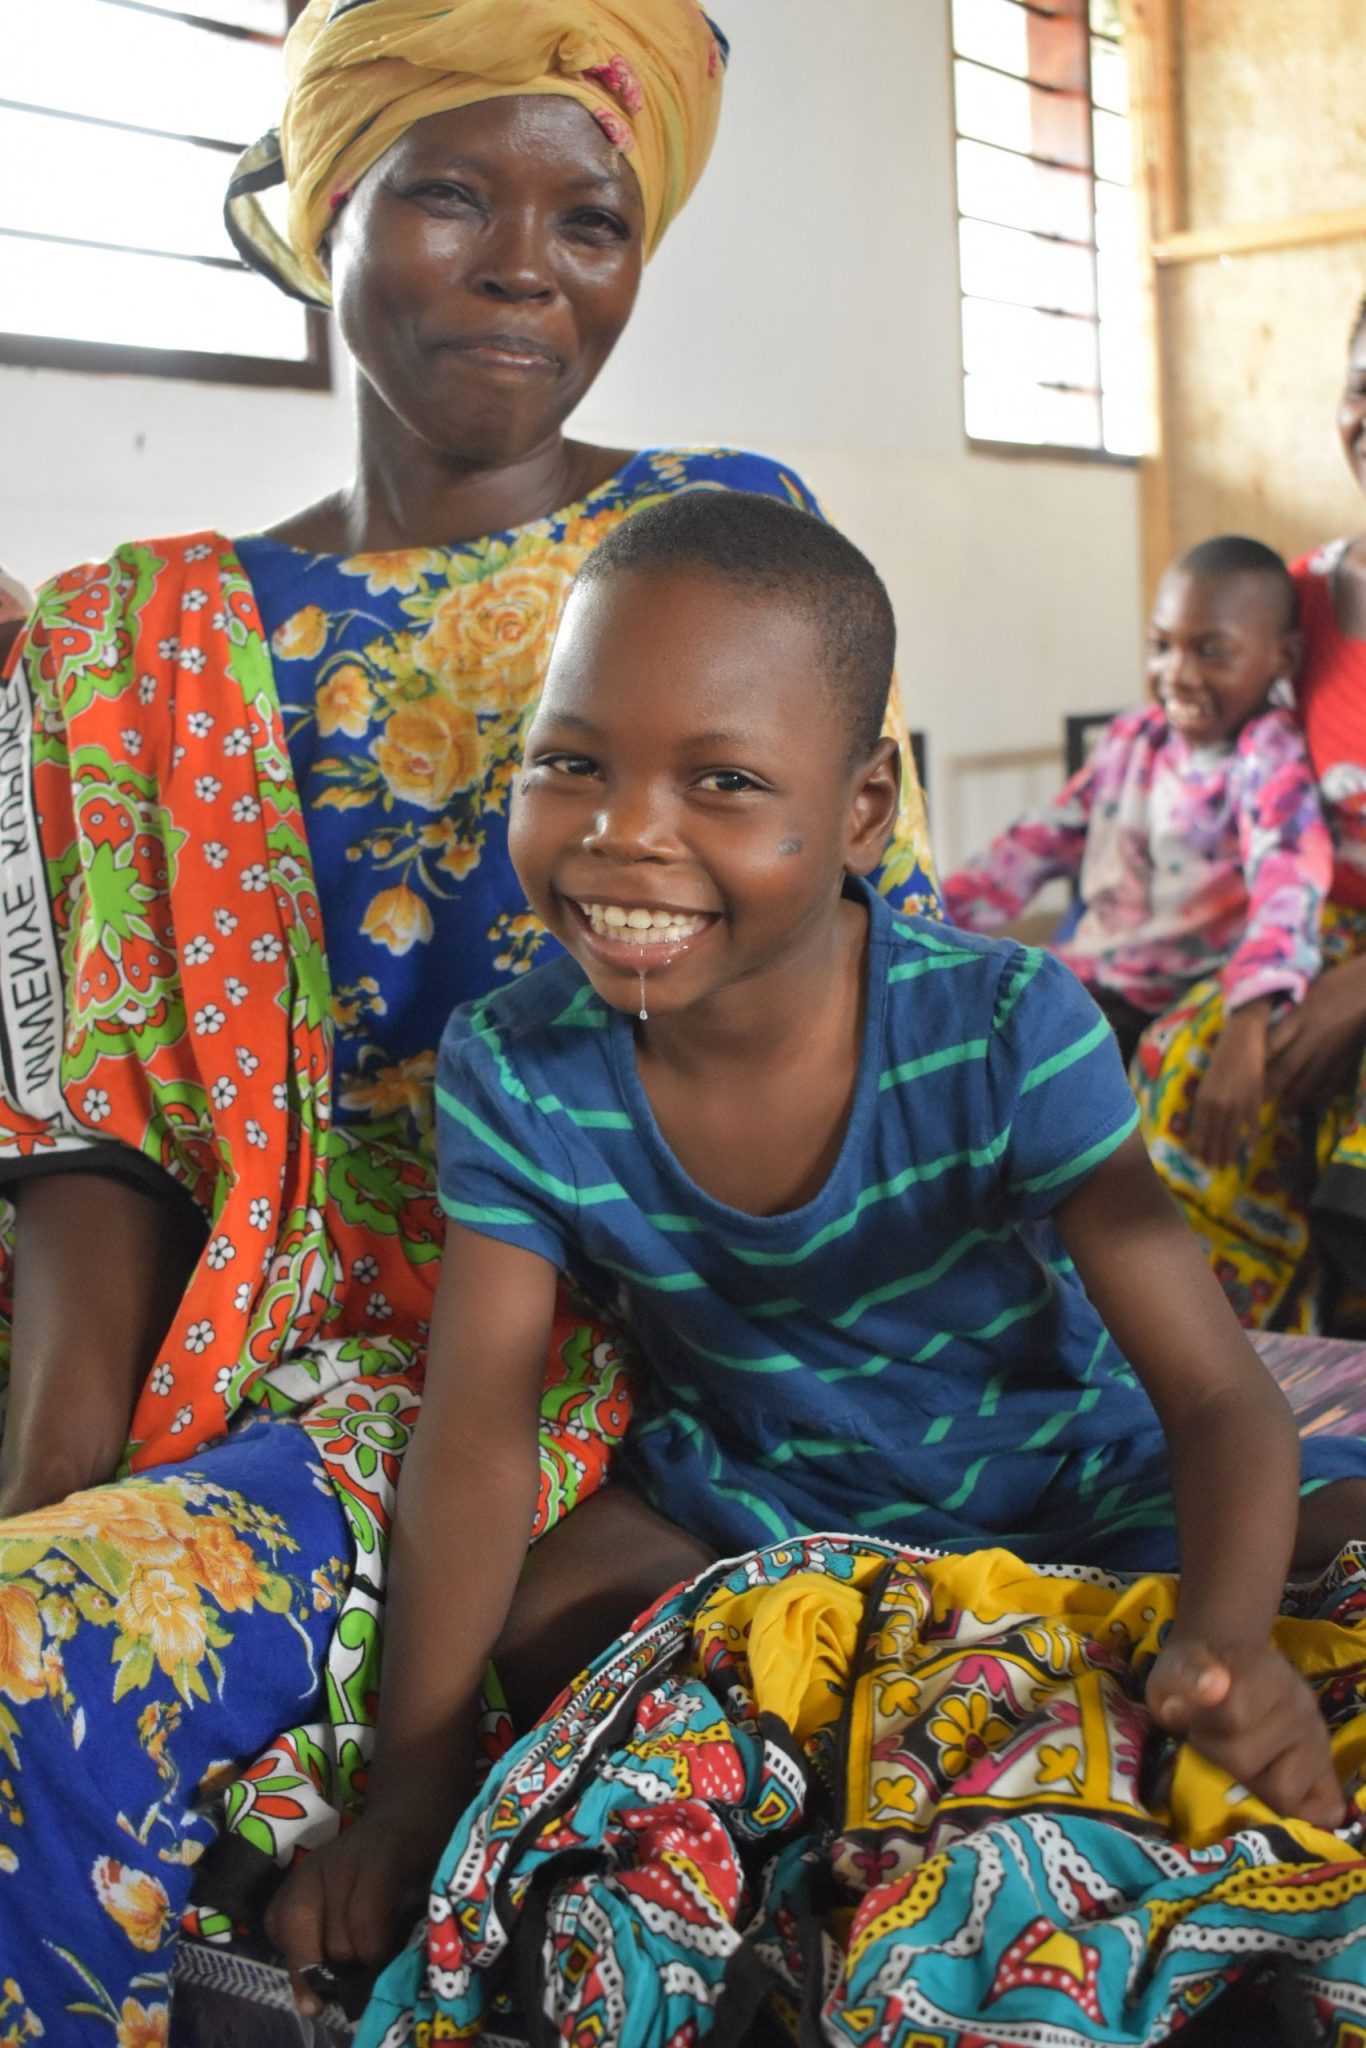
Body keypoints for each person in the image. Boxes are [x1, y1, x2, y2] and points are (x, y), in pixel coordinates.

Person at [0, 5, 938, 2031]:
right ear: (326, 204)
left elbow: (866, 1031)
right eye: (447, 189)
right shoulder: (126, 636)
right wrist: (63, 1477)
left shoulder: (716, 542)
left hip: (560, 1366)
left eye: (592, 219)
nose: (527, 260)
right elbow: (95, 1124)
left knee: (37, 1659)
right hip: (214, 1338)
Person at [270, 490, 1366, 1999]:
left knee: (1320, 1570)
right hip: (759, 1495)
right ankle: (958, 1703)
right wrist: (408, 1787)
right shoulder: (514, 1067)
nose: (621, 835)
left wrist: (1224, 1647)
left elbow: (1215, 1393)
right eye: (569, 762)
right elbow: (476, 1427)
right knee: (527, 1640)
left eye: (719, 780)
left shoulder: (1000, 1028)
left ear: (861, 812)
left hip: (1063, 1481)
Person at [942, 537, 1333, 1170]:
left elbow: (1289, 885)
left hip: (1174, 996)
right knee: (962, 1041)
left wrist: (1248, 1022)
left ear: (1281, 657)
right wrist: (922, 914)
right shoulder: (1132, 739)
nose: (1177, 672)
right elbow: (1033, 844)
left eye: (1211, 651)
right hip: (1086, 978)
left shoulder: (1268, 757)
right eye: (1161, 645)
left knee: (1051, 1110)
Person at [1136, 309, 1366, 1335]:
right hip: (1316, 925)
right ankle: (1261, 1363)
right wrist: (1262, 995)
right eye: (1360, 385)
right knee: (1186, 1064)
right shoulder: (1293, 602)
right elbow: (1254, 811)